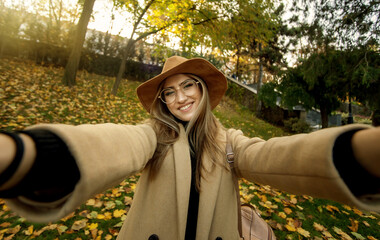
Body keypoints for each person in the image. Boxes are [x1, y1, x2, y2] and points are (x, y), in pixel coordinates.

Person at [0, 56, 380, 240]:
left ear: (202, 89)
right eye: (168, 91)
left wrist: (360, 152)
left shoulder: (229, 141)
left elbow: (269, 157)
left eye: (188, 86)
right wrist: (26, 155)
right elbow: (120, 144)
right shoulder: (155, 136)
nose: (178, 98)